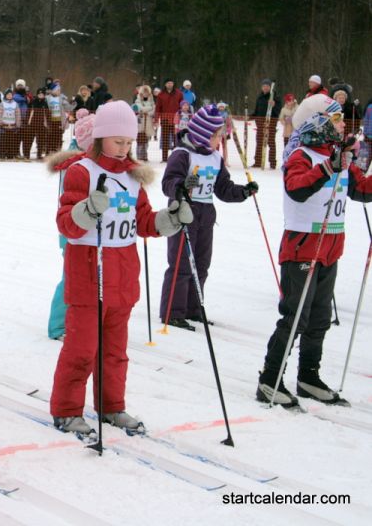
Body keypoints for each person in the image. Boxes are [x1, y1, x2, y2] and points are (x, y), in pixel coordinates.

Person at [50, 100, 193, 436]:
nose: (124, 148)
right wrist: (86, 210)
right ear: (100, 138)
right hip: (89, 273)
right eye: (118, 141)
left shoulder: (132, 177)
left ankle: (111, 406)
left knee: (114, 352)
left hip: (123, 275)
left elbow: (143, 221)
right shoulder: (81, 171)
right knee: (82, 349)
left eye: (129, 142)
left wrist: (169, 219)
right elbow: (65, 223)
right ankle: (67, 409)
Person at [257, 94, 372, 409]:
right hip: (302, 248)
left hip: (330, 249)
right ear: (318, 123)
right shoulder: (301, 155)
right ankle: (269, 379)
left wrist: (343, 166)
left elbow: (360, 189)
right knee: (296, 317)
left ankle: (308, 376)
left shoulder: (339, 155)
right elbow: (296, 189)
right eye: (334, 119)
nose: (341, 124)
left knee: (320, 318)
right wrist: (327, 168)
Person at [159, 106, 257, 330]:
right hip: (183, 215)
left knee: (201, 264)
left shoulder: (215, 158)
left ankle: (194, 308)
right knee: (181, 264)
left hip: (205, 216)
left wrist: (243, 192)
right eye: (215, 135)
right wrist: (180, 187)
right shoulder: (183, 154)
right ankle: (173, 312)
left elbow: (223, 188)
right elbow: (168, 182)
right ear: (203, 135)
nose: (219, 140)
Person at [45, 110, 95, 340]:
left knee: (89, 277)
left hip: (89, 230)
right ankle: (57, 326)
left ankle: (83, 320)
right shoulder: (75, 163)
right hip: (71, 230)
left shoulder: (87, 159)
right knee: (71, 277)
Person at [251, 78, 281, 169]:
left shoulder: (275, 97)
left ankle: (272, 163)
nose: (265, 88)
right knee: (259, 142)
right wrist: (249, 117)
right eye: (263, 86)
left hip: (271, 124)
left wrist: (274, 105)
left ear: (270, 87)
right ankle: (258, 162)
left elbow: (278, 111)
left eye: (267, 86)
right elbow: (256, 111)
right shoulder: (259, 98)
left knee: (271, 143)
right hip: (260, 124)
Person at [155, 78, 183, 162]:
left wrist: (182, 116)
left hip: (176, 119)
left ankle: (175, 157)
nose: (170, 84)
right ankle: (164, 158)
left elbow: (182, 105)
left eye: (171, 83)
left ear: (173, 84)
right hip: (165, 119)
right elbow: (158, 107)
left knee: (176, 139)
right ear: (165, 84)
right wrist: (156, 119)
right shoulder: (161, 94)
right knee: (165, 139)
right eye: (168, 83)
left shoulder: (179, 93)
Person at [0, 88, 22, 160]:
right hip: (4, 126)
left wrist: (18, 124)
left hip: (12, 126)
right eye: (8, 94)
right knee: (3, 141)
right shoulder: (2, 104)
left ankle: (10, 155)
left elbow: (18, 114)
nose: (9, 96)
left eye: (11, 94)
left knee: (11, 141)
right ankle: (2, 154)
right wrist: (0, 123)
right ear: (5, 95)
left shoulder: (15, 104)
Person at [132, 85, 155, 161]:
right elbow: (138, 108)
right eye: (144, 92)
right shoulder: (137, 100)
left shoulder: (151, 101)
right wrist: (147, 109)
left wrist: (147, 111)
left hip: (148, 123)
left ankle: (145, 155)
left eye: (147, 92)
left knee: (146, 140)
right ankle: (139, 156)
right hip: (140, 123)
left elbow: (153, 110)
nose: (145, 94)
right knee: (140, 140)